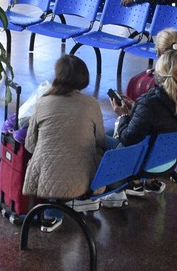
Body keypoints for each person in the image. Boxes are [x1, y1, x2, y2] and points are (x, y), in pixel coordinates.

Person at [23, 55, 111, 229]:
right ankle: (85, 200)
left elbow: (30, 145)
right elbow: (100, 140)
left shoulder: (42, 103)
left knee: (51, 159)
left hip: (46, 179)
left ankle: (52, 213)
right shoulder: (91, 104)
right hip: (85, 180)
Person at [110, 48, 177, 196]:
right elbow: (165, 118)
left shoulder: (149, 103)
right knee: (110, 133)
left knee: (100, 138)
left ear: (158, 73)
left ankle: (117, 187)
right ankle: (144, 183)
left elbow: (128, 138)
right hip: (169, 159)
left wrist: (123, 115)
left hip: (144, 162)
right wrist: (136, 108)